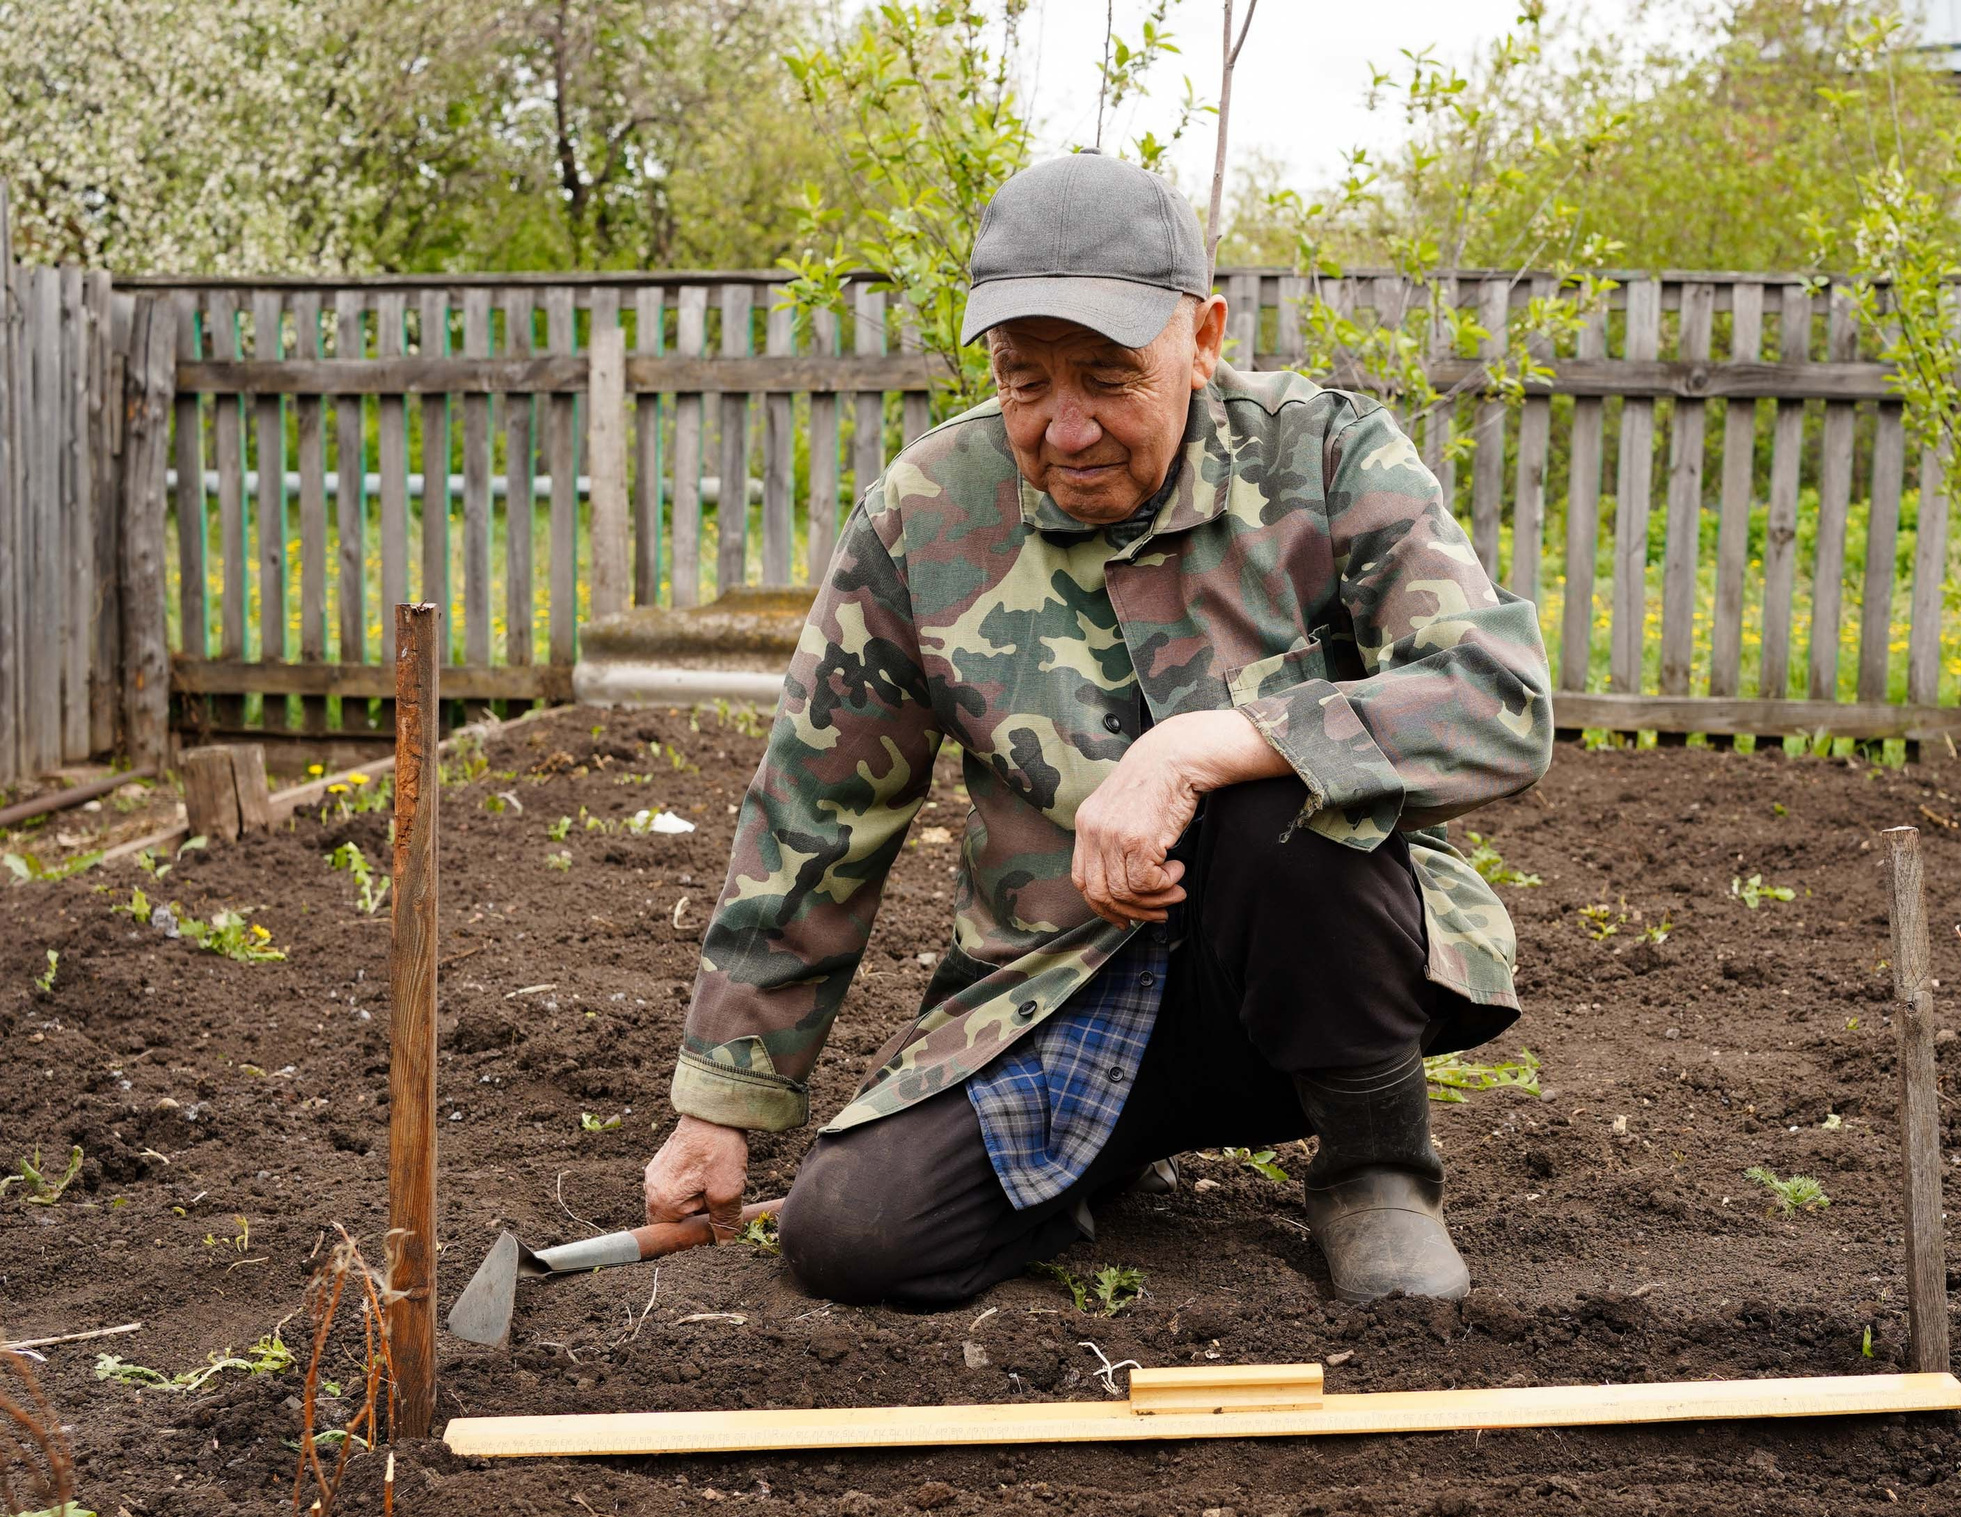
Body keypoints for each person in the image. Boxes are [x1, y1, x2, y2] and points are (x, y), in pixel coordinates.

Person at [640, 152, 1552, 1309]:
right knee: (853, 1237)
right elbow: (815, 811)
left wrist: (1202, 746)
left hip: (1305, 990)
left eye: (1110, 378)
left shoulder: (1324, 456)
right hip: (1053, 985)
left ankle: (1375, 1171)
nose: (1065, 430)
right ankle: (1096, 1155)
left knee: (1274, 795)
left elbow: (1495, 692)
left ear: (1203, 339)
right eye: (1023, 381)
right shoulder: (926, 513)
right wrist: (720, 1105)